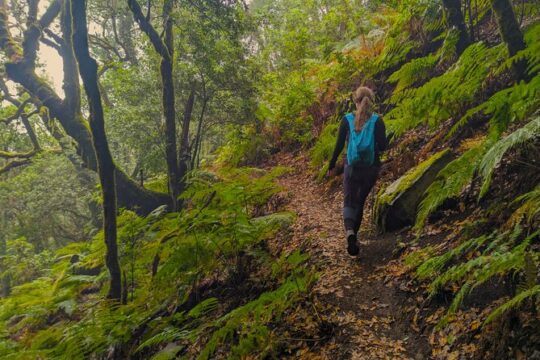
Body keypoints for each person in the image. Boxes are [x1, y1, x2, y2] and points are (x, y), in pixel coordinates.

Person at [327, 86, 388, 256]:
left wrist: (332, 163)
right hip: (370, 168)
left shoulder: (347, 119)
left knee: (349, 202)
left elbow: (339, 145)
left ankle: (350, 233)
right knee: (360, 202)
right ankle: (355, 235)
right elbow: (383, 146)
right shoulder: (377, 120)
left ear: (355, 101)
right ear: (371, 101)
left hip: (351, 167)